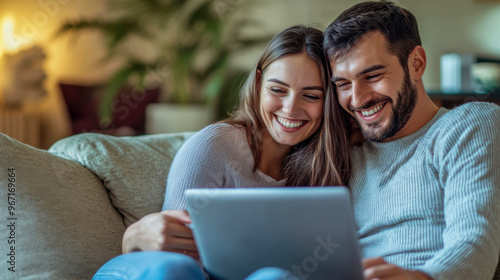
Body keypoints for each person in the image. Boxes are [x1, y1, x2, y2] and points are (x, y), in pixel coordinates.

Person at [93, 25, 353, 280]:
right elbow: (174, 255)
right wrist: (133, 238)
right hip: (162, 269)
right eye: (278, 90)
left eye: (311, 96)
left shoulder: (326, 163)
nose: (290, 108)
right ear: (260, 82)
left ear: (329, 100)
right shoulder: (216, 145)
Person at [322, 1, 500, 279]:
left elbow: (476, 241)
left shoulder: (468, 124)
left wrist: (422, 278)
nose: (356, 99)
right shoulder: (344, 151)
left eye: (372, 75)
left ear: (416, 63)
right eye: (343, 84)